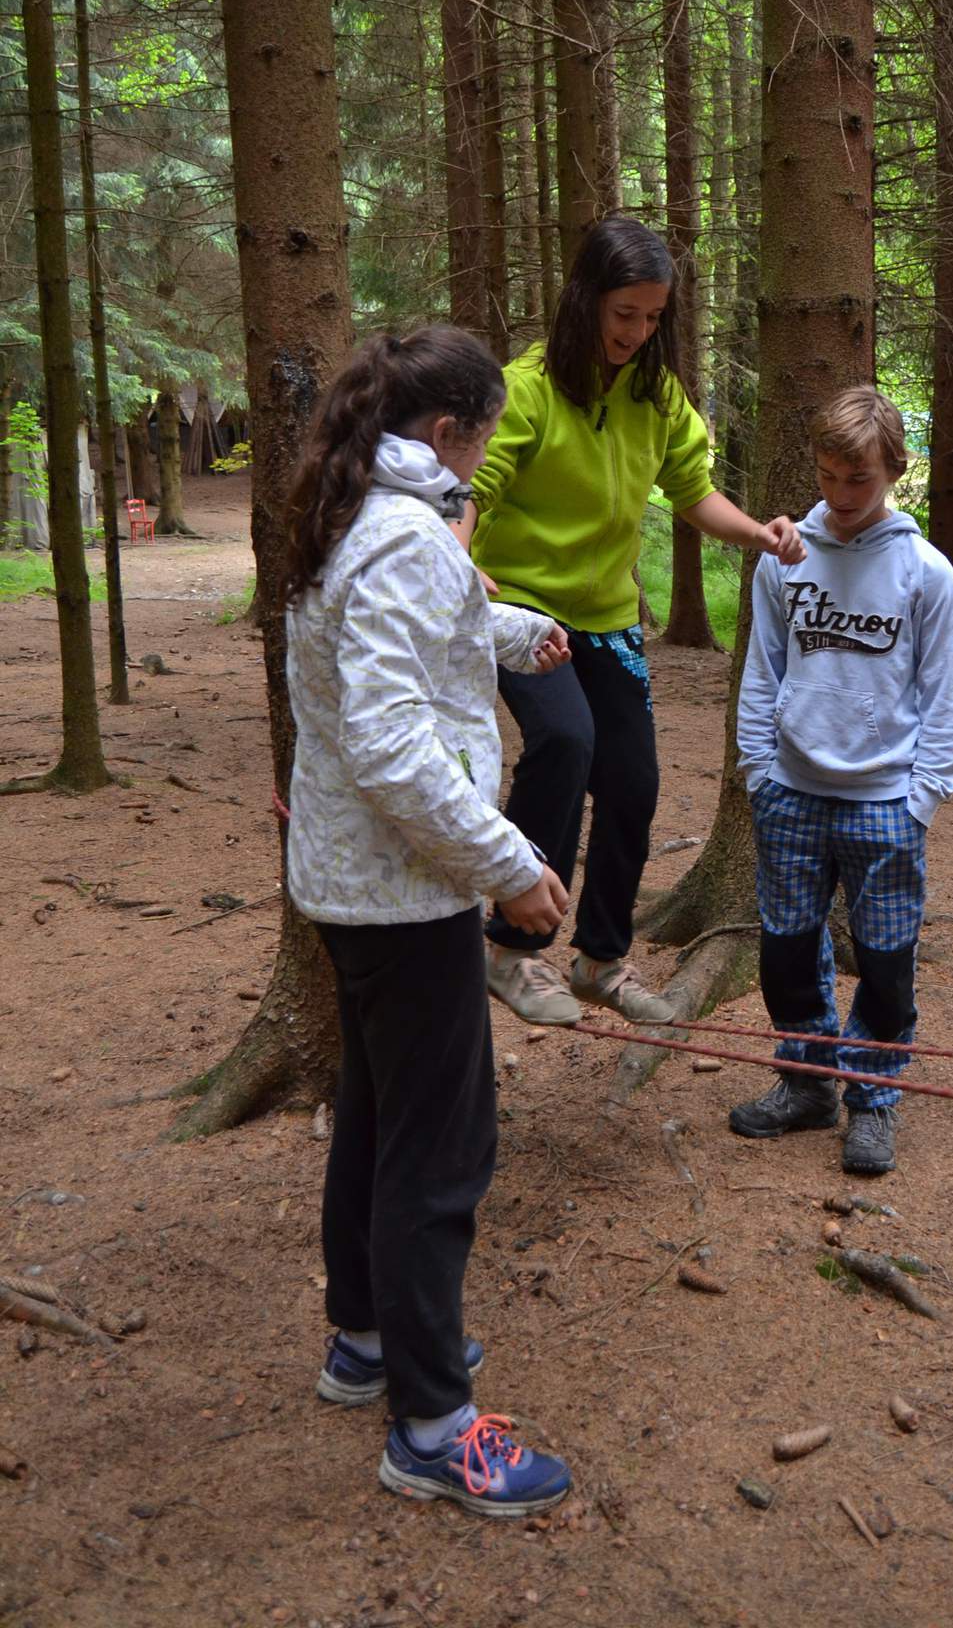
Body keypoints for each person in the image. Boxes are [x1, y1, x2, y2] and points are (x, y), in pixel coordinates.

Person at [284, 324, 573, 1516]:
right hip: (403, 890)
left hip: (356, 883)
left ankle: (367, 1338)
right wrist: (509, 863)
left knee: (377, 1117)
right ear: (449, 431)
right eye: (488, 434)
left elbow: (391, 646)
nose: (489, 452)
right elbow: (393, 741)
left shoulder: (357, 508)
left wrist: (507, 631)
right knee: (439, 1147)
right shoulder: (405, 533)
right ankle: (433, 1424)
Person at [454, 214, 805, 1027]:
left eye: (652, 317)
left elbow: (692, 492)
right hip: (521, 607)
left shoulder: (656, 395)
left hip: (609, 617)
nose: (638, 332)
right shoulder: (527, 389)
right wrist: (456, 557)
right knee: (565, 741)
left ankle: (601, 959)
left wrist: (757, 534)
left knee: (633, 780)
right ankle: (510, 948)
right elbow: (472, 487)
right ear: (585, 298)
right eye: (624, 314)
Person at [728, 385, 953, 1176]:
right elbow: (762, 670)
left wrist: (921, 798)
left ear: (893, 470)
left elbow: (947, 693)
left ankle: (872, 1097)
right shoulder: (784, 558)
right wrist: (759, 772)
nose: (839, 494)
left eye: (857, 478)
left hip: (885, 800)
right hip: (790, 792)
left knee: (886, 959)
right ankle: (806, 1084)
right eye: (828, 476)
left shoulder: (924, 572)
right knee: (786, 951)